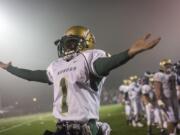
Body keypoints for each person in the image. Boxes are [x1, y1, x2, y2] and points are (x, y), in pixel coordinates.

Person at [0, 25, 161, 135]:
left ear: (86, 43)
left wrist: (130, 52)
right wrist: (10, 68)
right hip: (61, 129)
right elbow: (31, 75)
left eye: (72, 43)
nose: (68, 47)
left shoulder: (88, 58)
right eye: (66, 43)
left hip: (85, 129)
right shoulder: (56, 66)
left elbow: (106, 65)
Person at [154, 59, 179, 135]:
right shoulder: (159, 75)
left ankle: (174, 131)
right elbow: (157, 88)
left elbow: (174, 86)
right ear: (162, 66)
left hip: (173, 98)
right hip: (166, 99)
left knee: (177, 117)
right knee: (171, 119)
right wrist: (159, 99)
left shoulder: (172, 74)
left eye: (169, 64)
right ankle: (171, 133)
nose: (168, 66)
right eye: (166, 65)